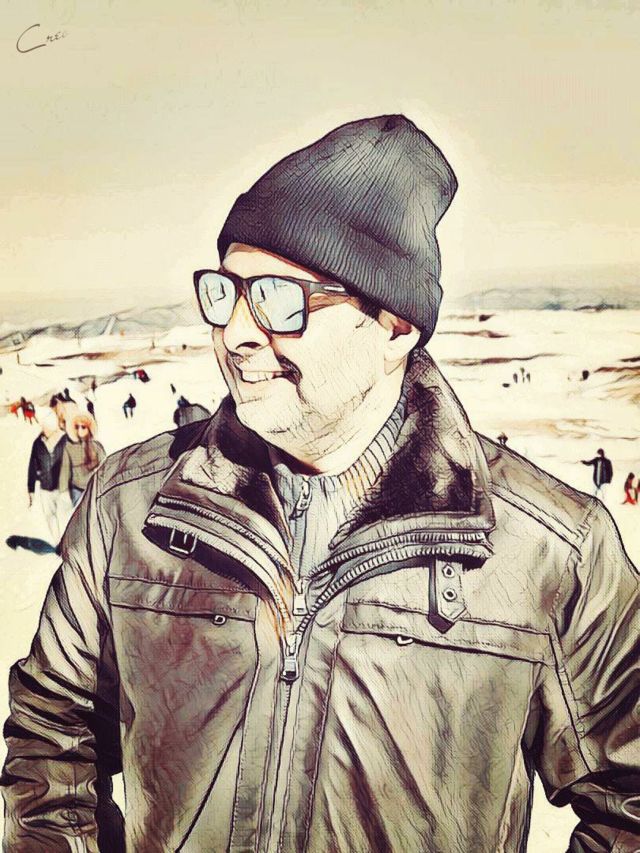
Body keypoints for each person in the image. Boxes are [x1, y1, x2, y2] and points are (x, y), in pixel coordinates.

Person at [2, 116, 639, 853]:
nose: (237, 333)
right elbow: (52, 734)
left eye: (280, 299)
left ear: (394, 327)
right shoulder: (130, 505)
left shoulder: (551, 549)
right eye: (226, 292)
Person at [26, 408, 68, 543]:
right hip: (45, 487)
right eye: (43, 425)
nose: (44, 428)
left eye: (46, 425)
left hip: (63, 487)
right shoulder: (38, 443)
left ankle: (69, 543)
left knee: (65, 516)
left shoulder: (65, 440)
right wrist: (31, 489)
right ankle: (58, 544)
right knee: (50, 517)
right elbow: (32, 466)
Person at [58, 413, 106, 507]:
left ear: (89, 428)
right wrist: (63, 492)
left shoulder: (97, 446)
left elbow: (105, 466)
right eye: (77, 427)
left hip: (94, 489)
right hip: (77, 490)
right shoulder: (69, 448)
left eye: (83, 427)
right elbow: (65, 470)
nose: (80, 430)